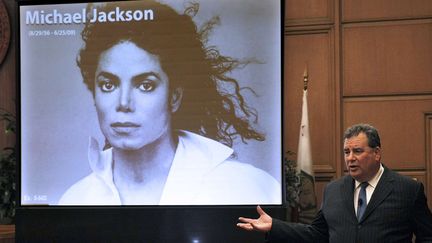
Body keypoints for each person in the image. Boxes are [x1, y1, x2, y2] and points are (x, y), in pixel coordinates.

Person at [58, 1, 280, 205]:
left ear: (174, 97)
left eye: (145, 85)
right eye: (108, 85)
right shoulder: (75, 199)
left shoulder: (246, 188)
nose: (123, 103)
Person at [237, 123, 432, 242]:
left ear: (377, 153)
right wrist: (275, 226)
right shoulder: (334, 190)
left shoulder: (408, 189)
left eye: (357, 151)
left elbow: (427, 236)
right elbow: (317, 234)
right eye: (346, 152)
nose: (350, 158)